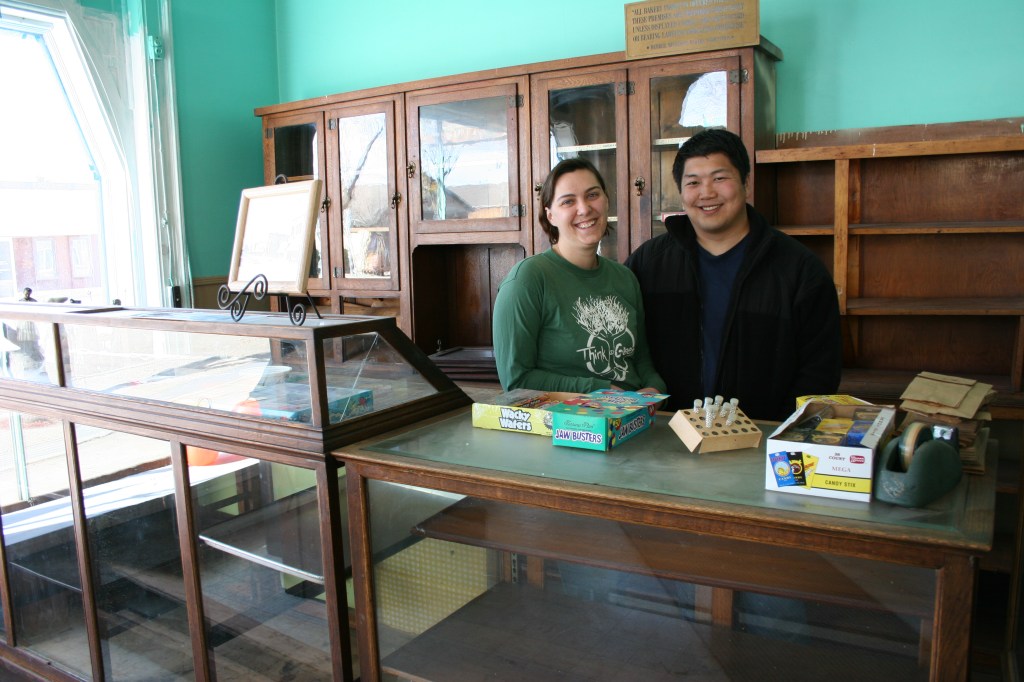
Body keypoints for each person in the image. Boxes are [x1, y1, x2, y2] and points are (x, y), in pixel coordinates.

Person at [626, 129, 841, 421]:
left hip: (760, 439)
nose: (706, 193)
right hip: (665, 436)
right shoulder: (649, 263)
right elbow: (623, 344)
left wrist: (781, 431)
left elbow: (820, 370)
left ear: (746, 183)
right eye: (693, 182)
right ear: (681, 192)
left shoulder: (799, 270)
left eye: (719, 178)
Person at [493, 158, 666, 395]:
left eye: (592, 195)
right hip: (567, 427)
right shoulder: (527, 280)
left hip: (634, 417)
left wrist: (655, 388)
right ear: (550, 215)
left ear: (606, 201)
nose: (584, 209)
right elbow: (516, 379)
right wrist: (600, 390)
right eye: (568, 201)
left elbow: (641, 360)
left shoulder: (625, 278)